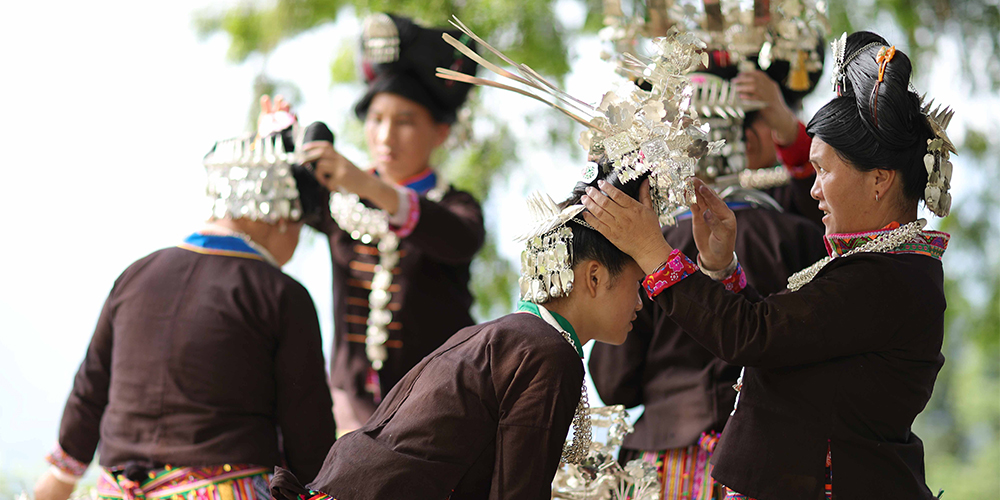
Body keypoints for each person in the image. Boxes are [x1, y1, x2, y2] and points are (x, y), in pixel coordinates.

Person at [582, 31, 953, 499]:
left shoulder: (889, 276)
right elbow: (777, 334)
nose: (813, 190)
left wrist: (651, 251)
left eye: (823, 170)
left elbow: (754, 334)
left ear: (878, 179)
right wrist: (720, 267)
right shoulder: (884, 267)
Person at [268, 172, 649, 500]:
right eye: (638, 282)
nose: (641, 301)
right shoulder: (547, 353)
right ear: (595, 277)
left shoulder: (501, 335)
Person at [33, 126, 337, 500]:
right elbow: (307, 427)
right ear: (281, 219)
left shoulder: (136, 275)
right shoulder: (282, 294)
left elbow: (91, 387)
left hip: (117, 491)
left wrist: (61, 478)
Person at [588, 53, 828, 500]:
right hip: (775, 466)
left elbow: (614, 380)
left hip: (664, 465)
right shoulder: (803, 238)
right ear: (750, 140)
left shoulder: (648, 244)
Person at [262, 13, 485, 432]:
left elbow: (459, 239)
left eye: (404, 122)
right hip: (347, 413)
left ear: (439, 132)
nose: (385, 136)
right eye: (377, 120)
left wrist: (362, 182)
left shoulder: (457, 206)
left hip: (439, 411)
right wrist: (278, 147)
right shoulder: (338, 196)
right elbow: (280, 207)